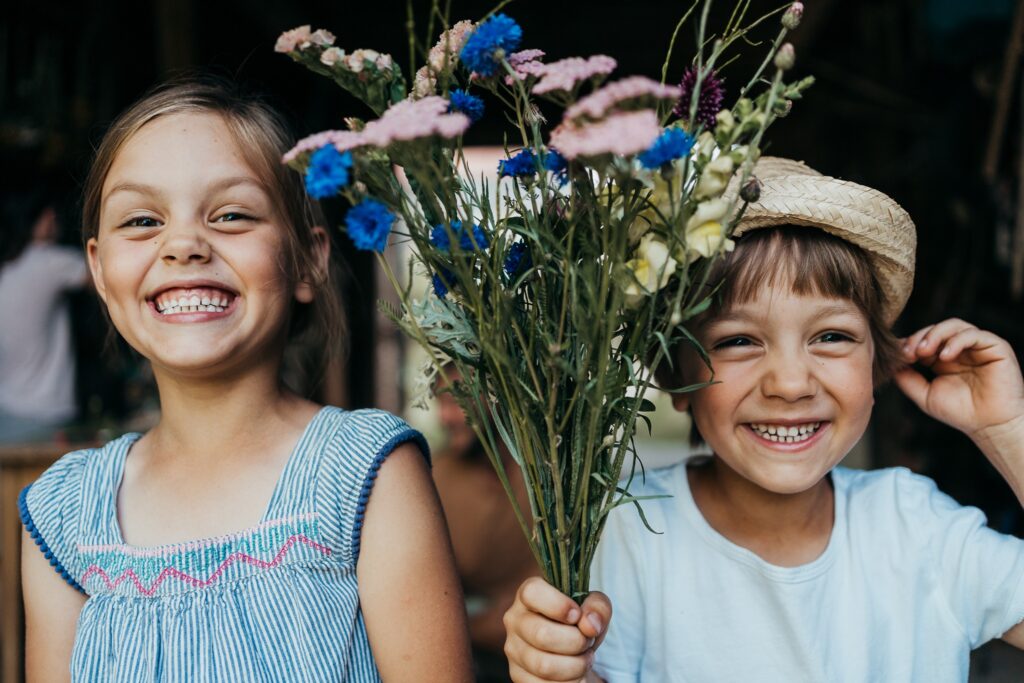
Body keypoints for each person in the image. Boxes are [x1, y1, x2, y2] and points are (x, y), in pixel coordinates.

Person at [18, 76, 473, 682]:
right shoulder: (63, 515)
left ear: (308, 259)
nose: (183, 244)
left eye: (232, 214)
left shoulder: (363, 473)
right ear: (100, 273)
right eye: (142, 221)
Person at [501, 157, 1024, 682]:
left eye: (831, 336)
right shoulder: (626, 533)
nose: (791, 383)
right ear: (673, 377)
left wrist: (1006, 431)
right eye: (738, 341)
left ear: (877, 360)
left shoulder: (916, 527)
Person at [432, 365, 538, 682]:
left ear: (495, 398)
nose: (444, 417)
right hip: (473, 662)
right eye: (440, 402)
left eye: (456, 402)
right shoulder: (433, 479)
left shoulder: (546, 473)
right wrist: (482, 625)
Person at [0, 188, 89, 442]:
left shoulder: (6, 267)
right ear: (42, 218)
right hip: (45, 410)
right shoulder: (50, 262)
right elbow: (113, 279)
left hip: (5, 408)